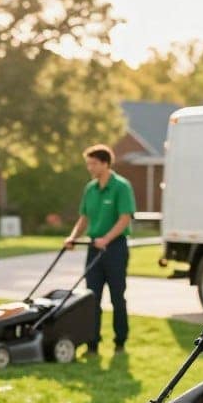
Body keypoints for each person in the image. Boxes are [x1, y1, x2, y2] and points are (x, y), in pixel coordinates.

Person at [64, 144, 135, 353]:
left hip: (115, 248)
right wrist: (72, 237)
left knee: (117, 297)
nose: (90, 168)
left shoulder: (121, 186)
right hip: (94, 248)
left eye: (93, 164)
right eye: (88, 164)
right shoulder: (90, 188)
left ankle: (120, 341)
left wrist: (107, 239)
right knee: (91, 298)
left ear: (105, 163)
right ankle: (92, 342)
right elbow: (84, 218)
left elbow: (125, 218)